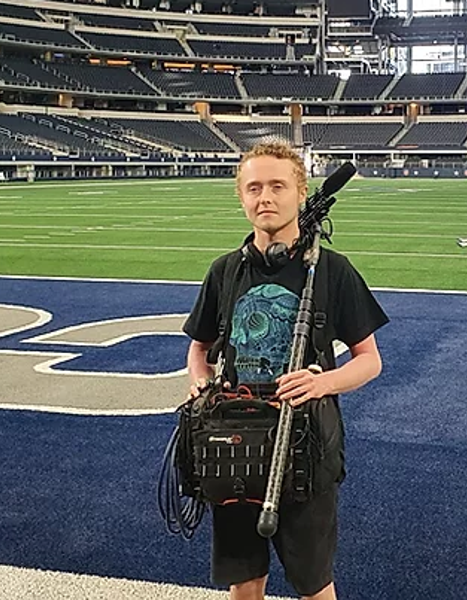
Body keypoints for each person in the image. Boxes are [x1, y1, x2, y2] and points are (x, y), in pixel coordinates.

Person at [182, 142, 389, 600]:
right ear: (241, 197)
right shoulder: (224, 272)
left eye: (277, 186)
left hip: (306, 450)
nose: (265, 198)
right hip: (235, 446)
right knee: (245, 580)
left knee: (313, 584)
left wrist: (321, 382)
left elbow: (369, 360)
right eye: (254, 188)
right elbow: (198, 349)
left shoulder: (332, 270)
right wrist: (199, 380)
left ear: (300, 192)